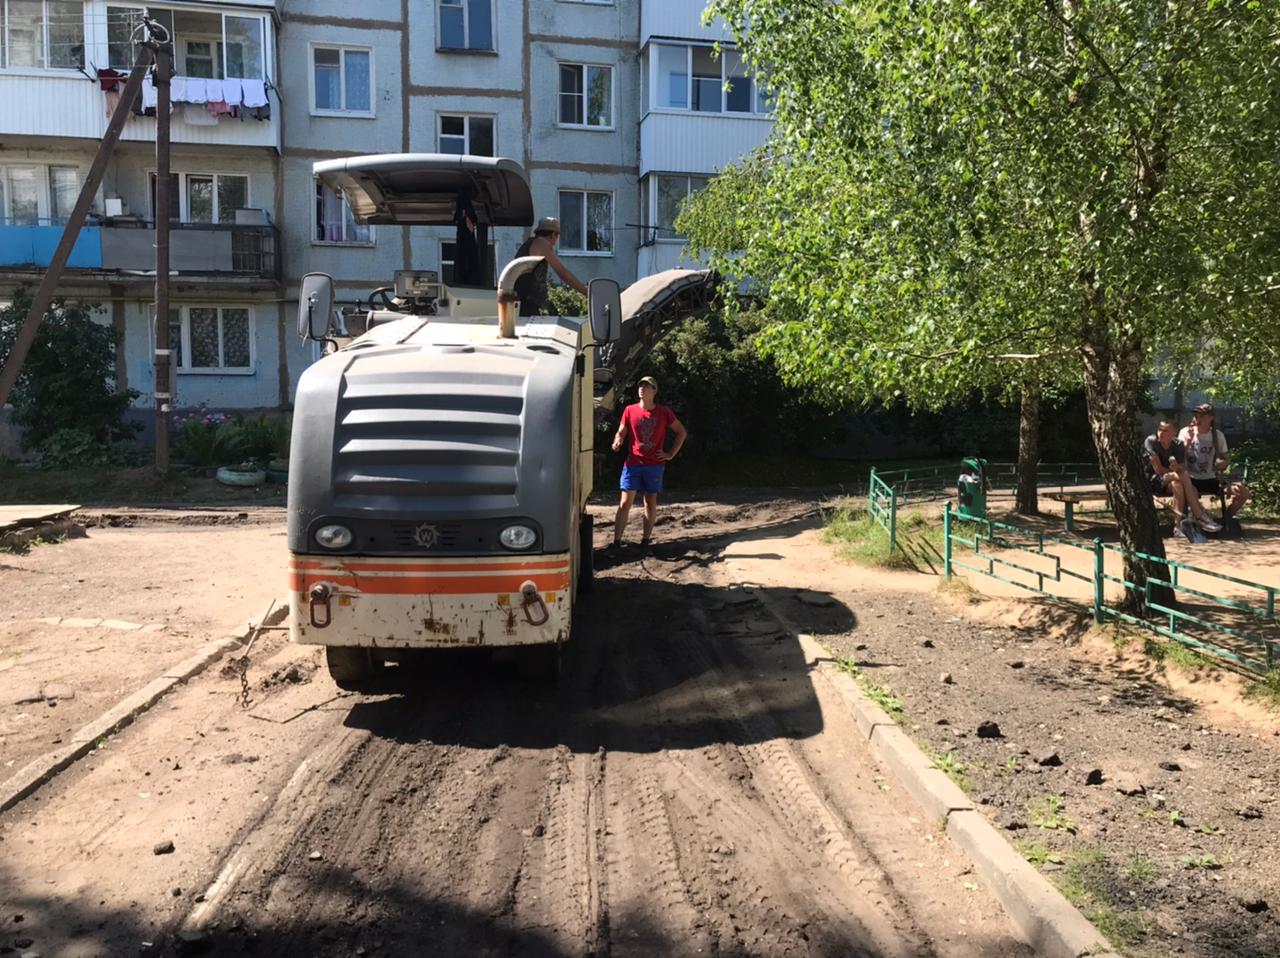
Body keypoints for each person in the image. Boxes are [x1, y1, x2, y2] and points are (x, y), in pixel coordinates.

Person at [610, 376, 688, 548]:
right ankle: (616, 542)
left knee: (649, 501)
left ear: (654, 391)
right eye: (641, 386)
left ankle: (645, 541)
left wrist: (670, 454)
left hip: (654, 465)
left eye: (647, 386)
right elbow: (621, 431)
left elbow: (681, 432)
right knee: (624, 503)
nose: (642, 389)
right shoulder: (630, 410)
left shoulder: (664, 412)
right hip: (633, 463)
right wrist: (618, 441)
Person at [1143, 419, 1220, 536]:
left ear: (1174, 433)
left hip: (1171, 480)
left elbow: (1182, 467)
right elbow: (1158, 470)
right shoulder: (1151, 441)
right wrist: (1175, 470)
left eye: (1165, 431)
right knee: (1184, 477)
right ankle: (1200, 516)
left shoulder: (1178, 444)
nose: (1161, 433)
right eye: (1160, 429)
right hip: (1152, 479)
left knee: (1178, 485)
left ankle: (1178, 527)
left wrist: (1177, 467)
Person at [1178, 403, 1249, 518]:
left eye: (1202, 415)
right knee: (1191, 491)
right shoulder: (1185, 432)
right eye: (1196, 415)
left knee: (1243, 493)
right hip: (1191, 479)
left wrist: (1223, 463)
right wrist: (1188, 441)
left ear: (1211, 418)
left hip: (1212, 478)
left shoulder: (1217, 435)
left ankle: (1225, 520)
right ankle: (1201, 520)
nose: (1197, 418)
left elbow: (1226, 460)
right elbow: (1178, 457)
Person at [513, 216, 588, 316]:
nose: (555, 243)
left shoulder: (529, 243)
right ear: (553, 235)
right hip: (527, 301)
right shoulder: (542, 243)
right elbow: (563, 273)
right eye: (557, 237)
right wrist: (586, 292)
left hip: (521, 299)